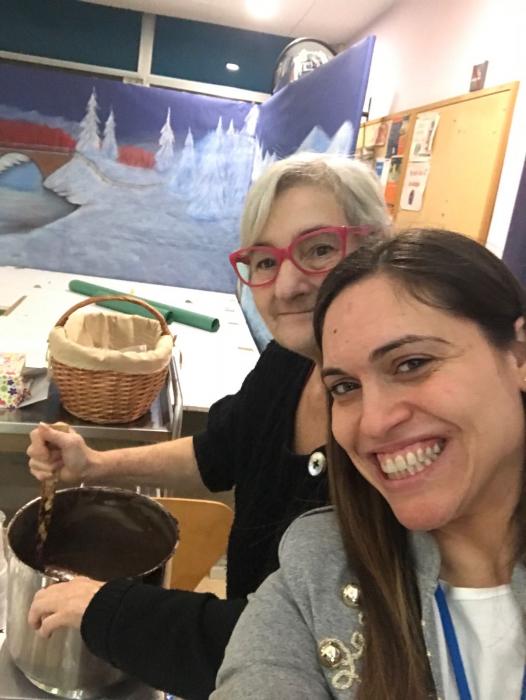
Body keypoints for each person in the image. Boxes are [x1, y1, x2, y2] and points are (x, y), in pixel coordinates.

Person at [26, 152, 390, 700]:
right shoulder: (288, 364)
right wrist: (94, 464)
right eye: (263, 261)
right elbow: (216, 451)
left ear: (376, 247)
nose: (287, 286)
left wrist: (109, 610)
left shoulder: (389, 436)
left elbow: (304, 641)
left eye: (319, 249)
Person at [212, 228, 526, 700]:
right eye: (345, 387)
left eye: (411, 363)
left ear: (518, 355)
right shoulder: (316, 575)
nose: (375, 423)